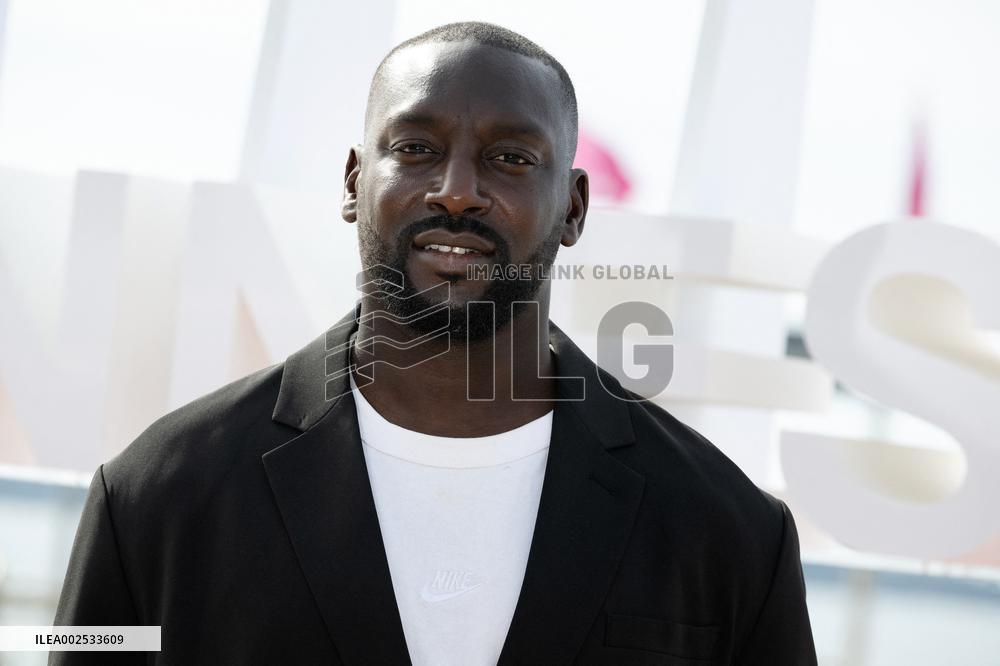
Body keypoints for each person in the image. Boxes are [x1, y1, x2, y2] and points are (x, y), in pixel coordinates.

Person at [51, 21, 817, 665]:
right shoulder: (156, 496)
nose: (457, 189)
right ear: (353, 183)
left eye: (510, 158)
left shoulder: (728, 531)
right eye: (415, 148)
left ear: (575, 208)